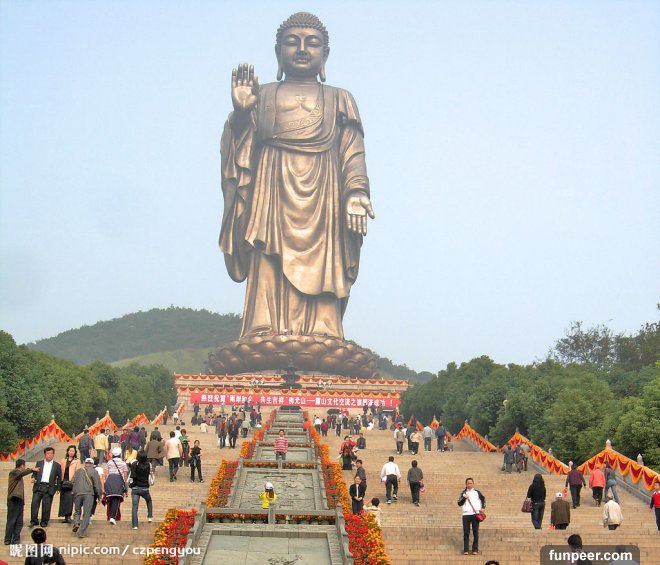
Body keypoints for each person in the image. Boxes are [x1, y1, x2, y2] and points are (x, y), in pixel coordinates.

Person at [219, 12, 375, 341]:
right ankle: (263, 327)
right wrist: (242, 114)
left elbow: (352, 151)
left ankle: (323, 332)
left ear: (325, 55)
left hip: (324, 199)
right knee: (266, 256)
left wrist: (357, 193)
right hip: (271, 192)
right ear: (278, 53)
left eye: (312, 43)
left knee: (325, 265)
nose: (302, 49)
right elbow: (241, 153)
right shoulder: (261, 95)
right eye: (292, 42)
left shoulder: (340, 99)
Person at [4, 459, 38, 545]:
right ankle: (8, 539)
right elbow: (21, 473)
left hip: (20, 499)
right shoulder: (14, 472)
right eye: (24, 465)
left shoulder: (18, 475)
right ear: (22, 465)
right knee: (12, 520)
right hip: (13, 499)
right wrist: (31, 469)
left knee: (19, 521)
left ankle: (16, 539)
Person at [30, 447, 62, 528]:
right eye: (48, 453)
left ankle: (44, 521)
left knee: (46, 506)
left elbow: (59, 477)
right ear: (45, 454)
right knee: (34, 504)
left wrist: (58, 488)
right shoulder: (39, 463)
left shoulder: (57, 465)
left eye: (51, 453)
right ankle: (34, 520)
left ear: (53, 454)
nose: (49, 455)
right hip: (39, 486)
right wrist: (33, 477)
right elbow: (35, 472)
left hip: (49, 487)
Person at [71, 457, 102, 538]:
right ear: (92, 464)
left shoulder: (78, 471)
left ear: (85, 464)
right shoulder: (94, 471)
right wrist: (99, 496)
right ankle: (82, 532)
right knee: (87, 513)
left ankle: (76, 523)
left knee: (77, 511)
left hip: (78, 494)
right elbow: (97, 485)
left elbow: (72, 482)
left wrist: (74, 492)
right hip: (88, 494)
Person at [457, 477, 485, 556]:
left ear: (473, 484)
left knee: (475, 532)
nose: (469, 484)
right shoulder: (463, 493)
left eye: (471, 483)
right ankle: (466, 549)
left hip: (475, 514)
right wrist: (464, 498)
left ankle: (475, 549)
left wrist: (483, 507)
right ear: (466, 484)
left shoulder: (477, 492)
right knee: (466, 532)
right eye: (468, 483)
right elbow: (459, 503)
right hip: (466, 514)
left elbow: (483, 499)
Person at [128, 451, 153, 530]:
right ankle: (150, 516)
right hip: (145, 488)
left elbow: (132, 476)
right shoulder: (149, 465)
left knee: (134, 507)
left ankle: (135, 525)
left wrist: (131, 485)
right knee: (149, 500)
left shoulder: (134, 464)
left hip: (135, 488)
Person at [103, 446, 128, 525]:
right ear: (120, 454)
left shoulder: (109, 462)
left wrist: (107, 483)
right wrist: (125, 487)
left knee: (110, 498)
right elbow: (125, 475)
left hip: (110, 481)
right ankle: (112, 517)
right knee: (116, 498)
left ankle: (110, 516)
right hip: (119, 481)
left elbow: (106, 473)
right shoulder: (123, 463)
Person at [57, 445, 81, 524]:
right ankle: (65, 516)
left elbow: (78, 473)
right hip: (63, 482)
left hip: (71, 483)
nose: (71, 452)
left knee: (70, 500)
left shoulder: (77, 461)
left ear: (75, 452)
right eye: (70, 451)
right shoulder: (63, 460)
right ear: (67, 451)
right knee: (63, 499)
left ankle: (68, 516)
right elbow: (60, 471)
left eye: (73, 451)